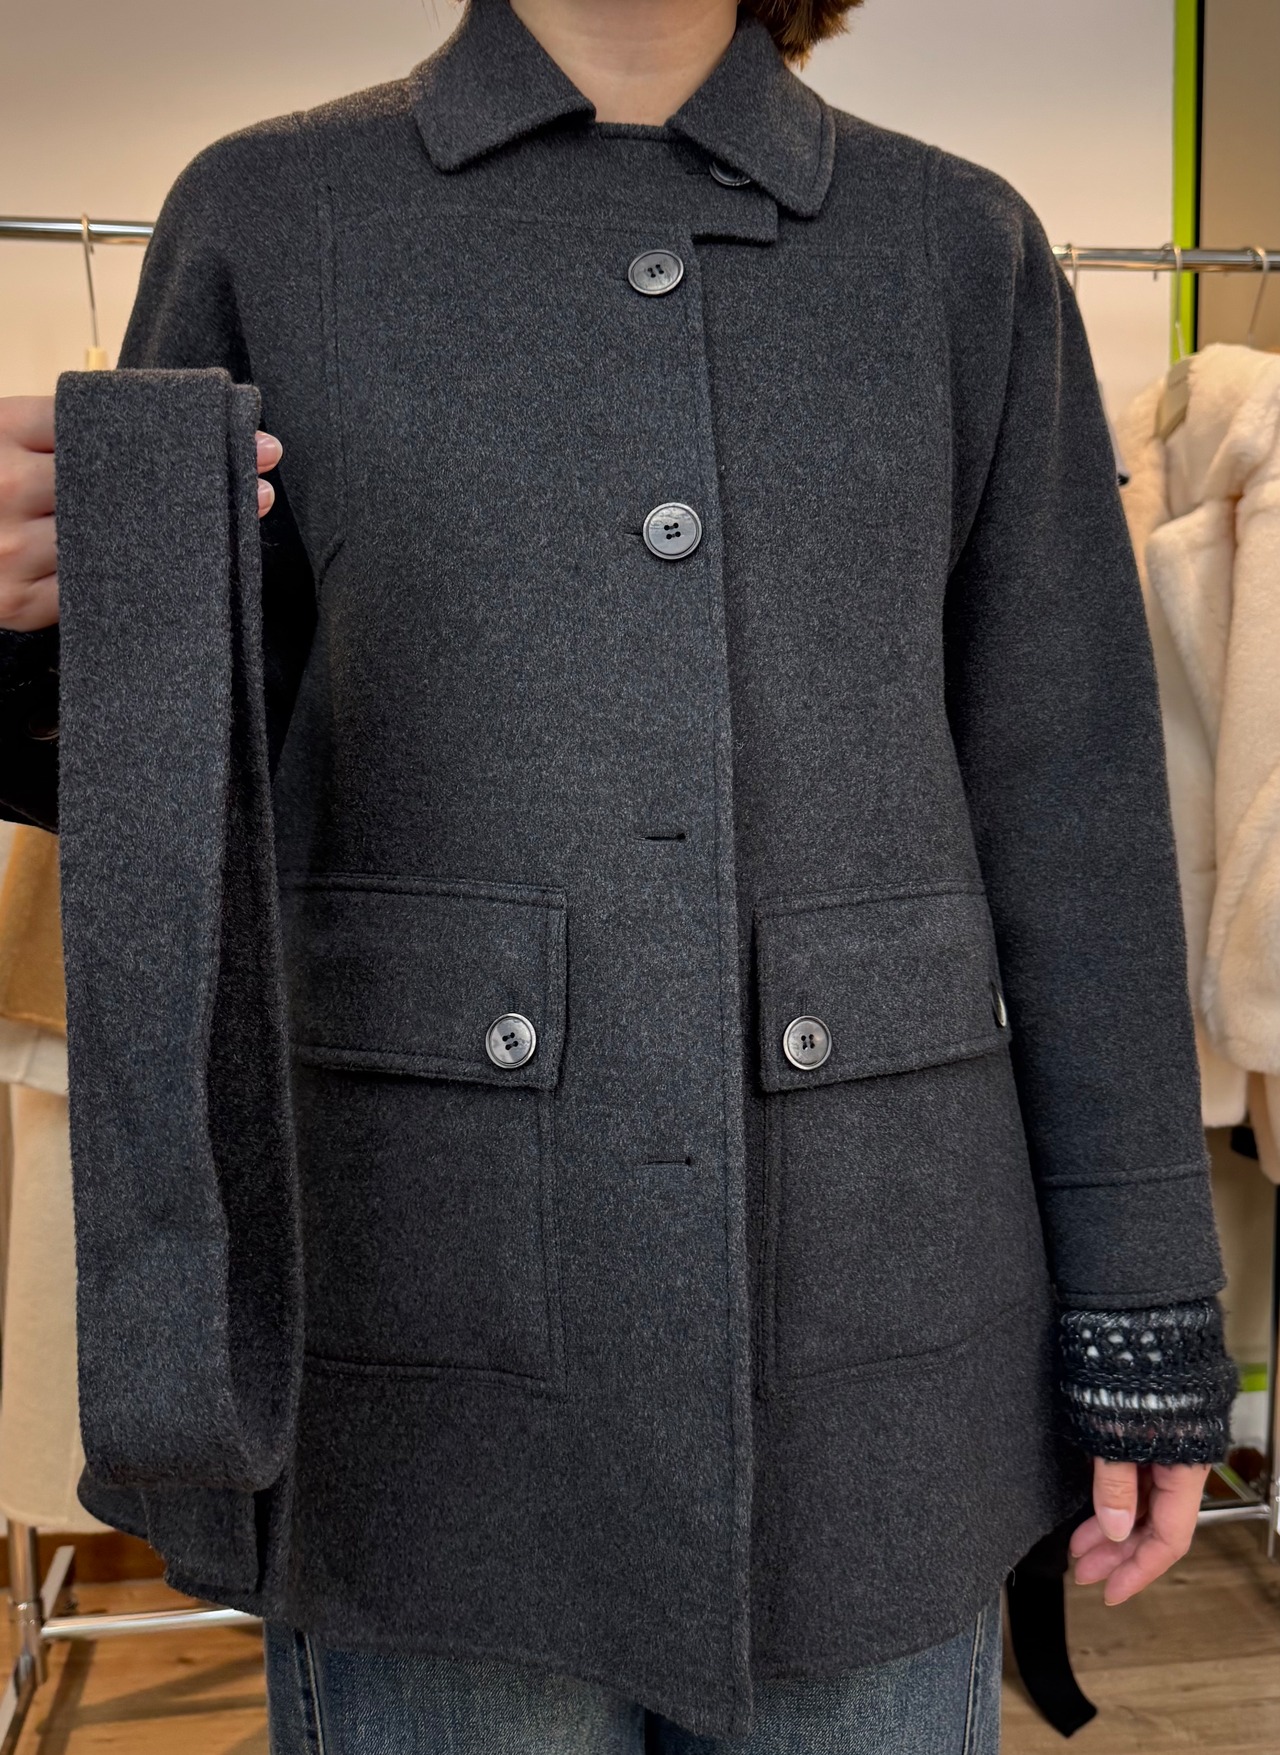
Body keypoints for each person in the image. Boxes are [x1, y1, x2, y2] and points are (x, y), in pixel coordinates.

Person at [0, 1, 1239, 1751]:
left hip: (873, 1342)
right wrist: (28, 623)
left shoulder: (959, 244)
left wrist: (1143, 1301)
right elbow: (176, 788)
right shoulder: (271, 217)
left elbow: (1075, 809)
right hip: (424, 1332)